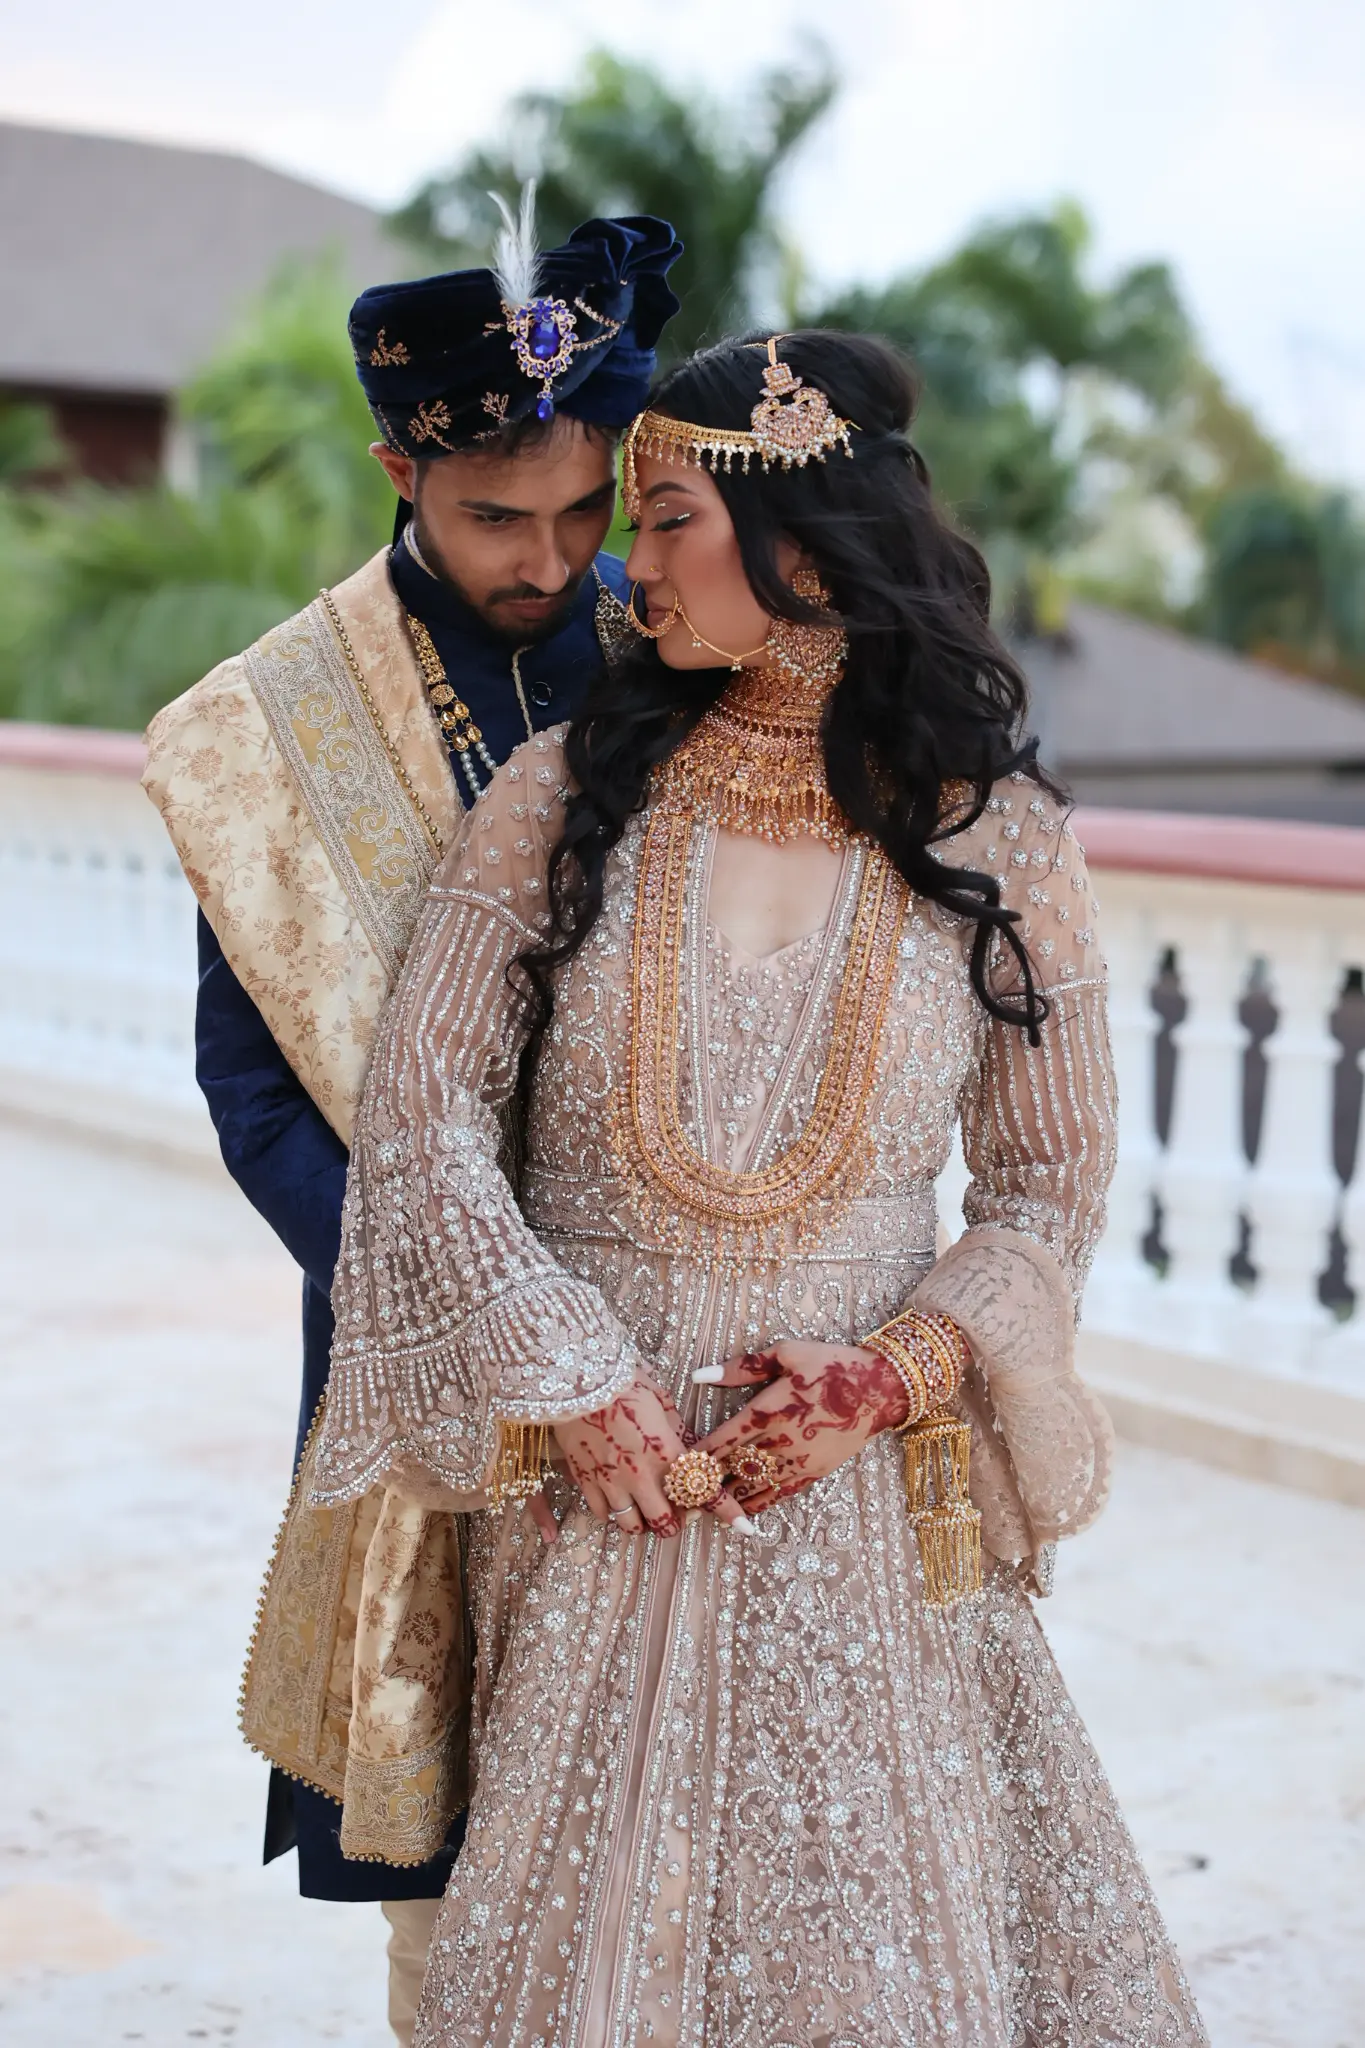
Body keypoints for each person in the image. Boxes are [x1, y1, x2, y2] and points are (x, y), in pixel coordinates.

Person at [312, 325, 1209, 2047]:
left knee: (866, 1956)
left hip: (861, 1494)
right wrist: (567, 1379)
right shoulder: (564, 793)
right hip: (603, 1480)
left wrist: (894, 1379)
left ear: (806, 535)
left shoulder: (990, 832)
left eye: (660, 522)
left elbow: (1048, 1182)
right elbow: (421, 1113)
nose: (622, 568)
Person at [141, 205, 682, 2045]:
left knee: (675, 1786)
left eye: (582, 510)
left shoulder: (673, 636)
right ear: (401, 471)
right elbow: (251, 1090)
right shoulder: (271, 728)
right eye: (494, 523)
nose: (549, 562)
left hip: (671, 1314)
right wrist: (465, 1307)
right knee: (444, 1835)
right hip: (416, 1328)